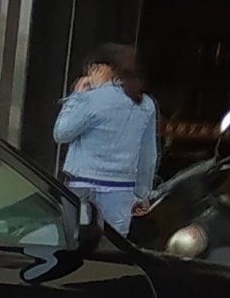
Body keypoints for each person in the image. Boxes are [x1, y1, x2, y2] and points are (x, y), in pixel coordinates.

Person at [53, 43, 157, 234]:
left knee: (75, 241)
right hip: (121, 191)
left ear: (102, 68)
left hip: (82, 186)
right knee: (113, 245)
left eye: (93, 68)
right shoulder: (146, 104)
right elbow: (147, 155)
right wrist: (142, 194)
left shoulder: (92, 98)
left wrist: (76, 96)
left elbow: (61, 133)